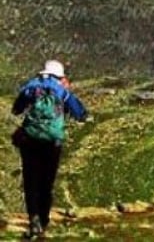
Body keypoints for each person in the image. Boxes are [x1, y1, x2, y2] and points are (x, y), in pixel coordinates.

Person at [11, 60, 88, 239]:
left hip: (30, 141)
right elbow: (79, 113)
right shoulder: (61, 90)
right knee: (47, 182)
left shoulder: (32, 86)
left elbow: (17, 108)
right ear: (59, 76)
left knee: (30, 181)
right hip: (52, 143)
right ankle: (44, 221)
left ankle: (34, 221)